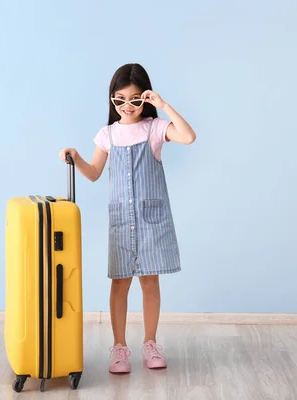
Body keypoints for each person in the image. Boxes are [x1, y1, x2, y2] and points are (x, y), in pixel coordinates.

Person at [59, 63, 196, 374]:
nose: (127, 106)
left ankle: (150, 343)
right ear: (112, 100)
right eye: (119, 99)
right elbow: (93, 173)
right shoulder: (108, 134)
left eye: (135, 99)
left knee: (150, 281)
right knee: (120, 283)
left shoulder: (155, 129)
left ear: (145, 98)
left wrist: (163, 106)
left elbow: (188, 136)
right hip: (122, 222)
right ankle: (119, 347)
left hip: (151, 221)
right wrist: (77, 157)